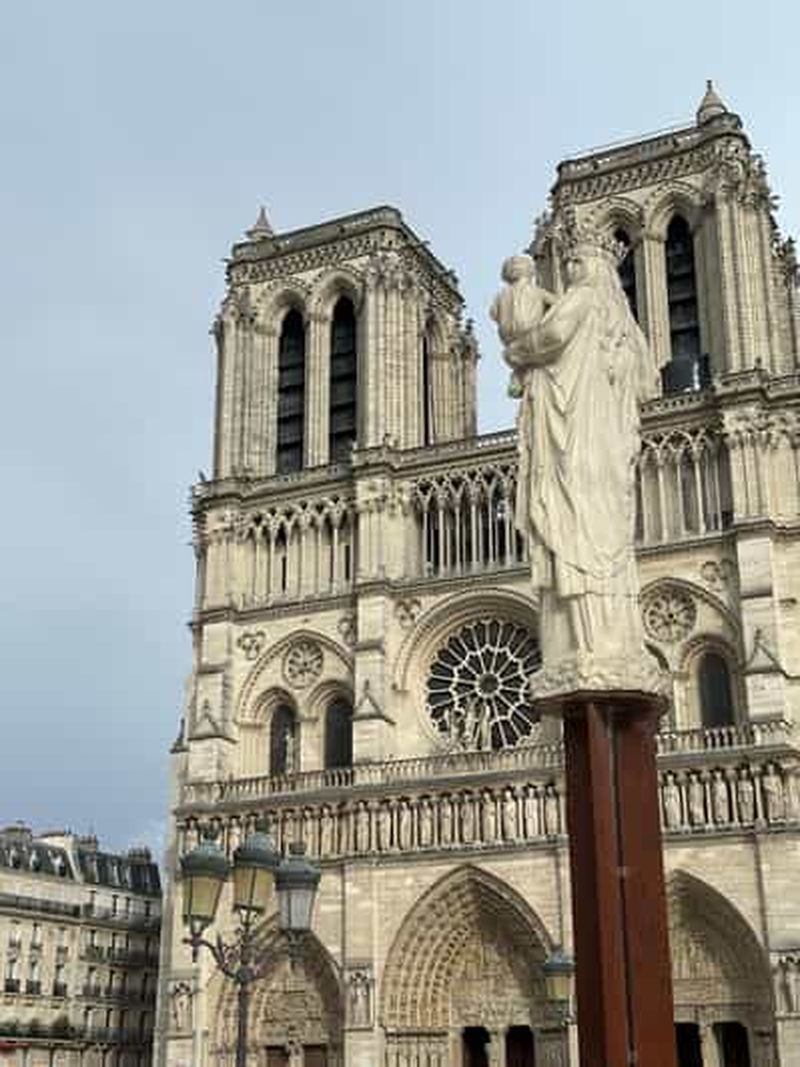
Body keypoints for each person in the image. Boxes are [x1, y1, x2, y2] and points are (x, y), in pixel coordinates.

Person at [492, 226, 663, 674]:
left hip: (576, 437)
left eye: (576, 261)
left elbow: (548, 339)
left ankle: (588, 644)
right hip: (605, 444)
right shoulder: (624, 323)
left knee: (571, 528)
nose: (568, 269)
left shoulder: (582, 300)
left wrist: (515, 351)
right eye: (565, 261)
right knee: (597, 534)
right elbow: (648, 384)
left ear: (597, 267)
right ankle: (605, 641)